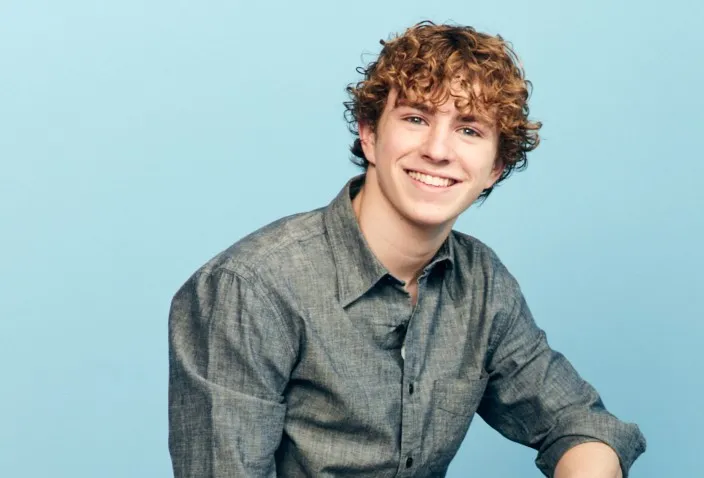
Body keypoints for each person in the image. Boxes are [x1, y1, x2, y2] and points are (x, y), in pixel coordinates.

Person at [168, 21, 646, 478]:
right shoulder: (249, 290)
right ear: (370, 134)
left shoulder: (481, 283)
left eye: (469, 129)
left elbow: (581, 424)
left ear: (496, 167)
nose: (438, 150)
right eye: (416, 118)